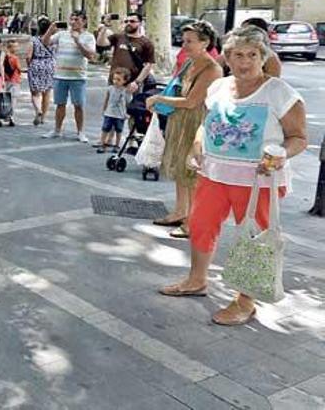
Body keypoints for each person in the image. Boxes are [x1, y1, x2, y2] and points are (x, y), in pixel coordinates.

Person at [158, 26, 307, 326]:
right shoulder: (220, 87)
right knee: (200, 225)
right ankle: (197, 280)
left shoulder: (279, 92)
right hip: (214, 175)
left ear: (263, 56)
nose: (245, 62)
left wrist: (280, 154)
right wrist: (197, 146)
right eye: (238, 55)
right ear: (227, 57)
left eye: (252, 55)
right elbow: (205, 124)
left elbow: (298, 138)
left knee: (253, 239)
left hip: (258, 182)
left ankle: (245, 301)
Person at [147, 21, 224, 238]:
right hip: (179, 119)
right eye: (184, 40)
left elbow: (192, 102)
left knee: (191, 174)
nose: (184, 44)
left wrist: (160, 98)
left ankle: (192, 221)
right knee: (180, 170)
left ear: (205, 42)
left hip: (196, 122)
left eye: (190, 41)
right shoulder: (190, 63)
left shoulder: (212, 68)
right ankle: (180, 211)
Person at [41, 10, 98, 142]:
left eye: (76, 20)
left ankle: (80, 132)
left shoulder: (88, 37)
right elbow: (45, 43)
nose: (73, 22)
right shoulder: (62, 34)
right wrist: (50, 30)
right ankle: (57, 130)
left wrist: (78, 41)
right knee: (60, 104)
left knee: (78, 105)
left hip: (78, 76)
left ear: (84, 21)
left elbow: (90, 55)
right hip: (60, 75)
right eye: (71, 19)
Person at [97, 12, 155, 90]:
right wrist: (105, 26)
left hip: (132, 85)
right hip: (114, 81)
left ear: (140, 23)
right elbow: (100, 43)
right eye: (126, 21)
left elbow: (148, 65)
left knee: (132, 102)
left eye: (132, 21)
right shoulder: (118, 37)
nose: (128, 23)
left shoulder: (146, 43)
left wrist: (137, 82)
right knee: (112, 102)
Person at [26, 17, 55, 126]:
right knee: (47, 92)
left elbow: (28, 56)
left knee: (35, 92)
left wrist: (30, 66)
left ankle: (38, 110)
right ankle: (43, 117)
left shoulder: (33, 40)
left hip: (36, 64)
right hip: (49, 65)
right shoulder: (53, 40)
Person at [97, 67, 132, 153]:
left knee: (119, 130)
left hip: (120, 115)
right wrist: (104, 109)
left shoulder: (125, 91)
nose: (115, 81)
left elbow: (128, 102)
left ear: (124, 81)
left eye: (118, 80)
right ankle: (102, 144)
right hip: (109, 113)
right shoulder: (110, 88)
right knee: (105, 129)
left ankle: (117, 145)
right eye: (114, 79)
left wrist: (127, 113)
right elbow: (107, 99)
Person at [2, 39, 22, 127]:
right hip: (15, 80)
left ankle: (6, 114)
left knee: (7, 98)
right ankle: (11, 116)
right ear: (11, 48)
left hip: (6, 80)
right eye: (16, 47)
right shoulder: (15, 58)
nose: (17, 48)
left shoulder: (4, 57)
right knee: (13, 98)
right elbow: (19, 68)